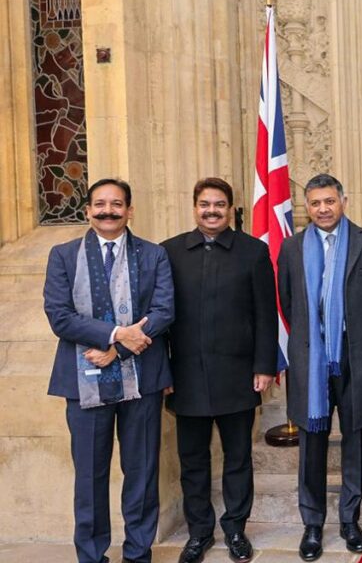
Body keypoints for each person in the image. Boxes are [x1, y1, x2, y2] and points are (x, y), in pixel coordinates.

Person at [43, 178, 174, 563]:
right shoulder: (63, 255)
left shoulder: (154, 255)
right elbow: (60, 317)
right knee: (89, 476)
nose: (108, 211)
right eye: (100, 204)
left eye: (117, 204)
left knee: (142, 472)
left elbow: (164, 312)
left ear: (129, 210)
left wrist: (117, 350)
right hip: (82, 380)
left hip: (143, 381)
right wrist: (116, 334)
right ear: (87, 210)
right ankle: (91, 556)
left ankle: (138, 553)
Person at [277, 174, 362, 561]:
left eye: (329, 201)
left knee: (355, 440)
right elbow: (289, 302)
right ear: (306, 207)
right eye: (315, 203)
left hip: (355, 357)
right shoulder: (291, 248)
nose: (323, 209)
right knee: (312, 442)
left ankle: (349, 519)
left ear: (344, 200)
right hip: (311, 360)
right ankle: (312, 523)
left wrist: (357, 337)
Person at [161, 178, 277, 563]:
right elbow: (159, 317)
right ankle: (199, 533)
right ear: (195, 207)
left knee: (238, 458)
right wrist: (163, 373)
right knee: (193, 461)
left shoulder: (254, 251)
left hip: (238, 375)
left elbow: (265, 315)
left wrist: (264, 365)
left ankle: (236, 530)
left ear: (230, 209)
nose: (212, 211)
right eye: (205, 204)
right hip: (186, 377)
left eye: (219, 204)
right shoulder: (169, 252)